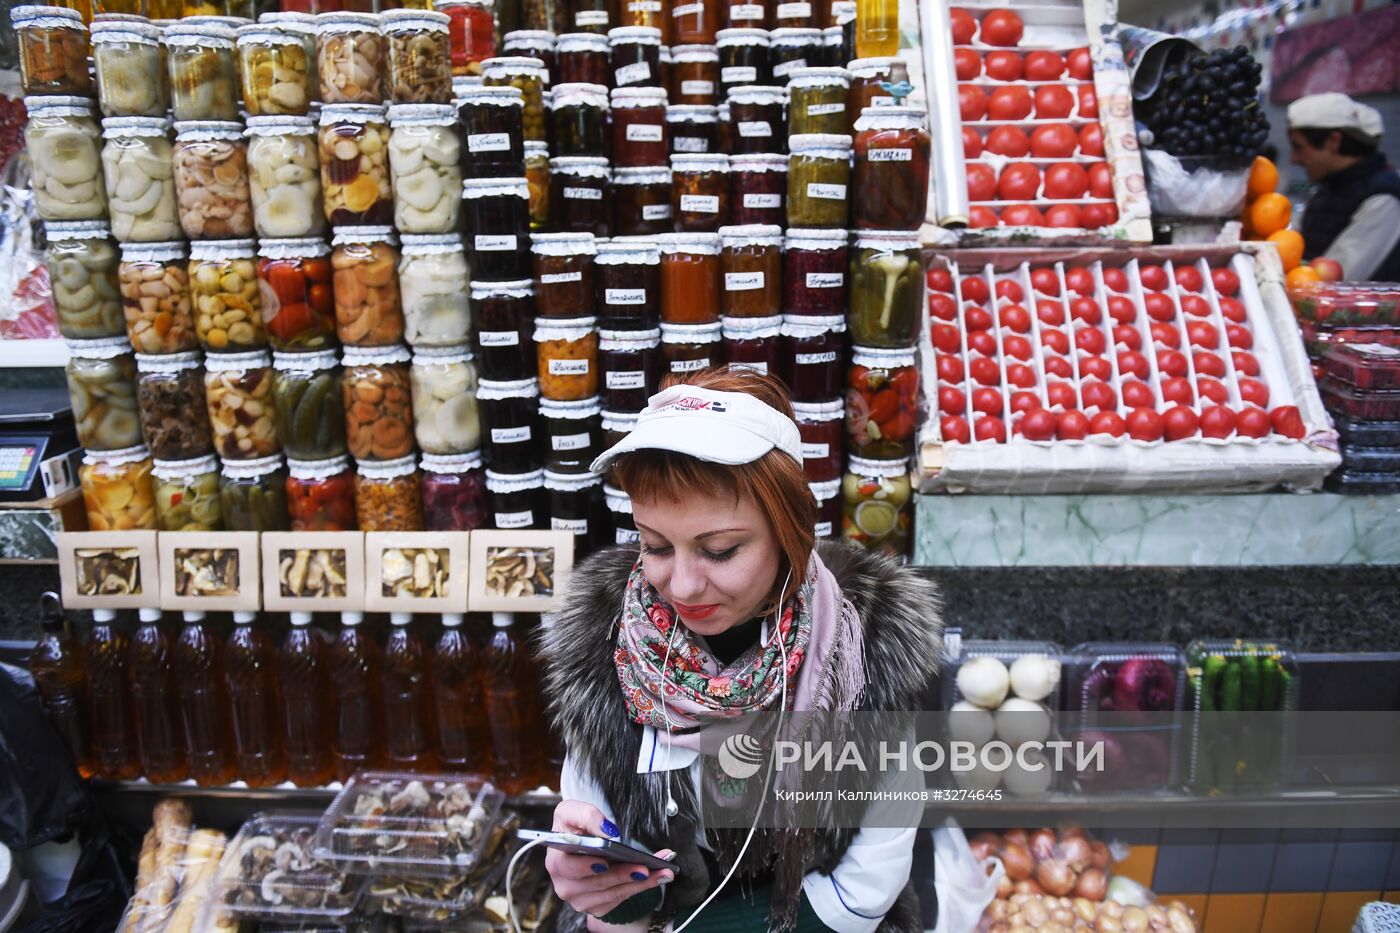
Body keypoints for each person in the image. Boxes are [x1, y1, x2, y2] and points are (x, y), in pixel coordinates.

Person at [538, 367, 942, 933]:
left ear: (790, 533)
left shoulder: (868, 648)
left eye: (720, 551)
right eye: (653, 545)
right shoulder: (607, 647)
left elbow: (864, 891)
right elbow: (614, 889)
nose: (680, 586)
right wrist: (598, 888)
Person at [1286, 91, 1400, 281]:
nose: (1294, 159)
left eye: (1299, 147)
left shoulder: (1383, 200)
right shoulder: (1330, 186)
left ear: (1333, 141)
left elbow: (1338, 279)